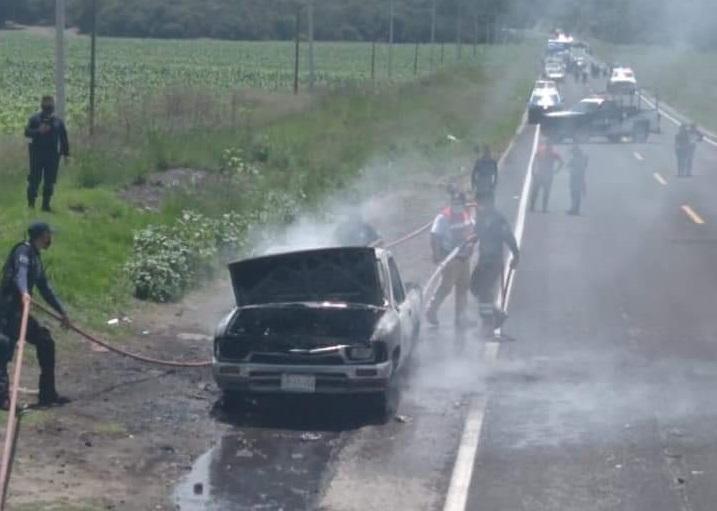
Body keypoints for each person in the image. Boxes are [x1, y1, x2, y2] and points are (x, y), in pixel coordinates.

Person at [0, 222, 71, 409]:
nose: (51, 239)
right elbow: (19, 275)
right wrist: (24, 292)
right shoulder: (22, 252)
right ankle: (3, 399)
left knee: (45, 342)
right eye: (49, 234)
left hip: (20, 312)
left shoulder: (36, 259)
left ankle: (48, 394)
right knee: (4, 350)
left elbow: (45, 289)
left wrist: (62, 312)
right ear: (42, 235)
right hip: (6, 312)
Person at [471, 193, 519, 337]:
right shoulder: (480, 217)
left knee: (485, 292)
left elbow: (509, 237)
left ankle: (488, 325)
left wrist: (516, 255)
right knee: (475, 287)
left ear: (490, 203)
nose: (479, 207)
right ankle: (497, 315)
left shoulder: (498, 219)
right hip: (483, 259)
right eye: (478, 204)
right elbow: (477, 234)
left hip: (493, 261)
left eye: (482, 204)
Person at [425, 192, 474, 328]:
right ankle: (431, 311)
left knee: (463, 287)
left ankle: (461, 317)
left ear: (464, 204)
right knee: (446, 287)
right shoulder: (443, 217)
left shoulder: (466, 214)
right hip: (450, 258)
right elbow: (435, 236)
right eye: (454, 203)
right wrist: (437, 254)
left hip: (464, 257)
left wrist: (471, 245)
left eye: (459, 203)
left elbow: (472, 231)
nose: (456, 206)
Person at [24, 96, 70, 212]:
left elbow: (63, 138)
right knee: (34, 180)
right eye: (46, 105)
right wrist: (38, 131)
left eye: (50, 105)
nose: (48, 108)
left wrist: (66, 154)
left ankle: (45, 206)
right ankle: (31, 206)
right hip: (37, 154)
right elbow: (27, 132)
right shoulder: (35, 119)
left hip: (52, 155)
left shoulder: (58, 122)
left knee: (49, 182)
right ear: (42, 106)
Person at [530, 141, 563, 212]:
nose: (549, 147)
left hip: (544, 175)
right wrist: (556, 171)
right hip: (543, 174)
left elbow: (561, 162)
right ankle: (536, 207)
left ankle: (539, 207)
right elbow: (561, 162)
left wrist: (556, 170)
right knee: (539, 191)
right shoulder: (551, 153)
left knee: (542, 192)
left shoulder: (551, 153)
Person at [567, 145, 588, 215]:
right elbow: (568, 165)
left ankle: (575, 210)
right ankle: (574, 209)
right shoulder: (578, 158)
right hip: (575, 177)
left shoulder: (579, 158)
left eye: (573, 151)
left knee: (576, 194)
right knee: (574, 194)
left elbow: (569, 165)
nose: (572, 153)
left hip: (578, 178)